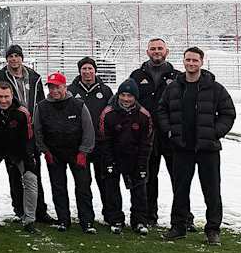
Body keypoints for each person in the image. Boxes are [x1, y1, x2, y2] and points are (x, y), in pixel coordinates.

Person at [158, 47, 236, 245]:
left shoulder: (215, 88)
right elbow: (162, 110)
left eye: (195, 60)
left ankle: (212, 230)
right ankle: (178, 226)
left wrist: (214, 132)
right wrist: (170, 131)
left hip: (207, 149)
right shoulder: (174, 87)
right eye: (188, 60)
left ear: (202, 62)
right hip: (182, 148)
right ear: (183, 62)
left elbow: (228, 113)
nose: (191, 64)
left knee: (211, 190)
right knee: (180, 189)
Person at [0, 44, 52, 224]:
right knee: (14, 172)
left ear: (22, 58)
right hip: (10, 130)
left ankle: (40, 210)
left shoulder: (34, 77)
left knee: (34, 172)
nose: (14, 59)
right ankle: (19, 209)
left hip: (30, 131)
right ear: (6, 59)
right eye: (10, 56)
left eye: (17, 56)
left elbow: (41, 103)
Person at [34, 72, 97, 233]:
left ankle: (87, 221)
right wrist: (45, 150)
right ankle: (63, 220)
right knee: (58, 187)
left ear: (65, 87)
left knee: (83, 187)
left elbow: (88, 130)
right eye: (51, 87)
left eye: (58, 87)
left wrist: (84, 151)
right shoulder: (41, 107)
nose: (54, 90)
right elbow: (38, 131)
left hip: (77, 153)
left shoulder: (78, 104)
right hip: (54, 154)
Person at [130, 37, 181, 228]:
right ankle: (149, 216)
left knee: (178, 178)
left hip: (170, 135)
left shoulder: (177, 76)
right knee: (148, 178)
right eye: (153, 48)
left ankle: (183, 217)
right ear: (147, 52)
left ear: (167, 51)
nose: (156, 51)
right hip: (146, 137)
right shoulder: (136, 75)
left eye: (160, 48)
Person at [0, 82, 39, 232]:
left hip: (18, 151)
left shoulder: (22, 112)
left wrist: (29, 161)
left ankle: (30, 220)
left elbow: (29, 138)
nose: (3, 100)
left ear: (12, 95)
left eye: (6, 97)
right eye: (0, 96)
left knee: (31, 178)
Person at [98, 78, 153, 235]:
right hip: (114, 157)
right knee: (112, 190)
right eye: (123, 95)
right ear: (118, 95)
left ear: (135, 97)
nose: (126, 99)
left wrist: (143, 163)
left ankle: (140, 221)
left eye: (130, 96)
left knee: (139, 191)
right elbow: (104, 139)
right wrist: (109, 161)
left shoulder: (144, 115)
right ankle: (116, 219)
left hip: (135, 158)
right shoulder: (108, 113)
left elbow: (146, 142)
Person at [67, 56, 114, 223]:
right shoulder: (71, 91)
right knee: (83, 183)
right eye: (84, 69)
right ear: (79, 71)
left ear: (95, 70)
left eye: (90, 69)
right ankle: (86, 216)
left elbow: (111, 114)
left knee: (105, 181)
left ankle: (109, 214)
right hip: (80, 146)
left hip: (101, 144)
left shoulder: (106, 90)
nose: (87, 72)